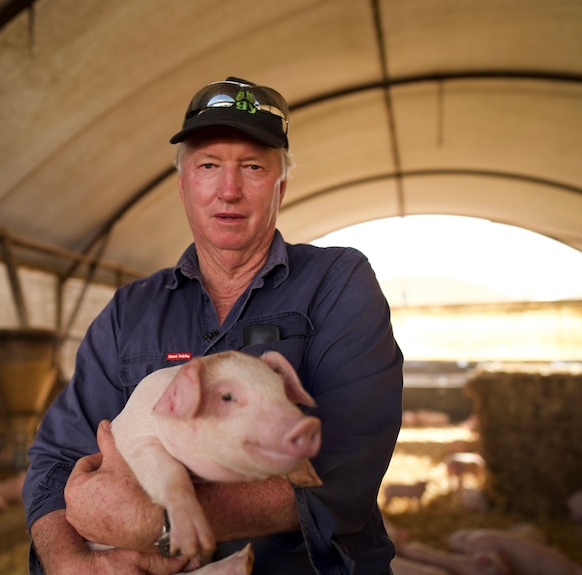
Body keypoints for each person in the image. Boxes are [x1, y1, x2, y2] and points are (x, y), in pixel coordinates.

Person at [23, 76, 404, 575]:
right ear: (184, 186)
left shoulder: (337, 282)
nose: (230, 189)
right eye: (208, 166)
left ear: (280, 187)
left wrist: (160, 522)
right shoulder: (130, 310)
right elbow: (56, 457)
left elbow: (345, 465)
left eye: (252, 167)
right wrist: (67, 560)